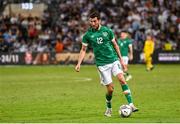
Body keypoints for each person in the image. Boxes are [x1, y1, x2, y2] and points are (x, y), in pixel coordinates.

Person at [75, 11, 138, 117]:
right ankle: (108, 107)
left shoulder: (107, 31)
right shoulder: (88, 35)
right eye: (91, 21)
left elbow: (115, 45)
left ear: (99, 20)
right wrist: (78, 63)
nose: (93, 23)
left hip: (113, 60)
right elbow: (83, 49)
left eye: (94, 21)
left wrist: (121, 60)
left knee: (122, 79)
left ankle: (131, 104)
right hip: (102, 65)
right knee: (110, 89)